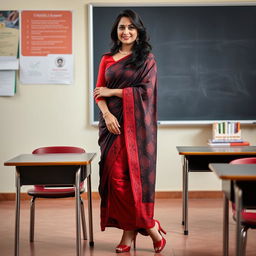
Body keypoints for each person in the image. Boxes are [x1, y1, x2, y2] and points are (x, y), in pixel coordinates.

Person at [94, 9, 166, 253]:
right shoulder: (107, 59)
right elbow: (97, 93)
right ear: (116, 31)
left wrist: (114, 92)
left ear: (138, 31)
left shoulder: (147, 60)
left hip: (138, 131)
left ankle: (132, 235)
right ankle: (151, 227)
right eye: (122, 27)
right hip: (111, 128)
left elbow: (146, 92)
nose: (126, 32)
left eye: (130, 27)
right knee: (115, 181)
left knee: (133, 182)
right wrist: (107, 114)